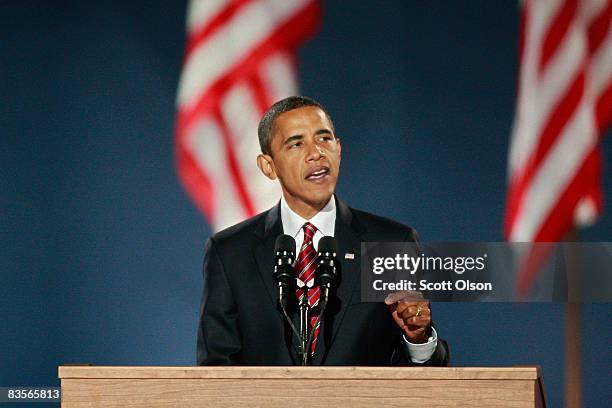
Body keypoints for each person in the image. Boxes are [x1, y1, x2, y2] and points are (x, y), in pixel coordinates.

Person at [197, 96, 449, 366]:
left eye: (324, 139)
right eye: (296, 144)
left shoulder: (391, 243)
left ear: (338, 150)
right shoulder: (232, 252)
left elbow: (426, 376)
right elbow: (216, 369)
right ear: (268, 166)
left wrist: (418, 339)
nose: (316, 153)